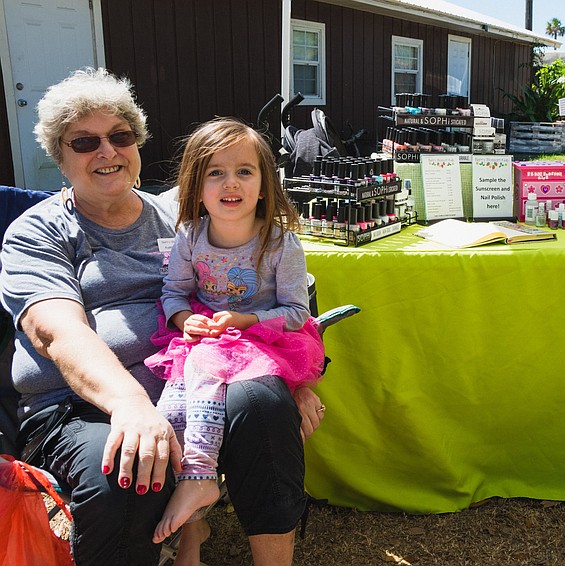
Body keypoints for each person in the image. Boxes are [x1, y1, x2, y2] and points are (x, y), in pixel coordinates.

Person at [0, 68, 325, 566]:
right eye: (84, 142)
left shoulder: (182, 220)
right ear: (59, 157)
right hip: (78, 404)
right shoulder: (40, 231)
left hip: (196, 379)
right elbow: (55, 331)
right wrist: (130, 404)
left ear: (137, 142)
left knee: (263, 406)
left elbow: (250, 298)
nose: (106, 151)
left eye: (120, 136)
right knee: (126, 470)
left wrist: (292, 383)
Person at [144, 117, 326, 546]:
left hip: (268, 340)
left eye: (244, 171)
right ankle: (193, 530)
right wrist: (182, 319)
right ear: (196, 185)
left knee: (207, 369)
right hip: (206, 336)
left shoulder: (281, 243)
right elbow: (174, 292)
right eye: (216, 172)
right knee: (169, 413)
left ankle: (202, 474)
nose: (231, 183)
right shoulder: (190, 235)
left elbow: (298, 311)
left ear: (264, 185)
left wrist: (247, 320)